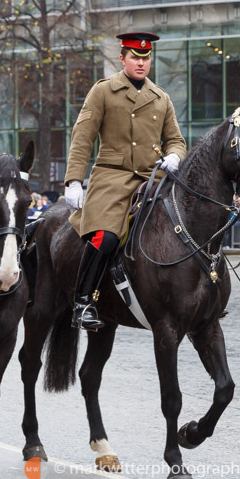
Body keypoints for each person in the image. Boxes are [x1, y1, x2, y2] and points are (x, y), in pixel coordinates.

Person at [63, 32, 186, 331]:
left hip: (153, 177)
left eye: (146, 58)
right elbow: (83, 138)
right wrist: (74, 181)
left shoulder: (161, 98)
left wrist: (175, 157)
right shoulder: (104, 91)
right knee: (105, 236)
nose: (141, 63)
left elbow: (177, 140)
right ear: (122, 58)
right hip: (113, 176)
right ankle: (82, 303)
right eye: (135, 57)